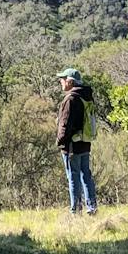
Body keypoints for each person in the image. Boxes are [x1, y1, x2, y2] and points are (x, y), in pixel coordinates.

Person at [55, 67, 97, 215]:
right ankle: (92, 207)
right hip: (85, 142)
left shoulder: (71, 98)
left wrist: (60, 141)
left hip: (72, 145)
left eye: (62, 79)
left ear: (70, 82)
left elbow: (65, 124)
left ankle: (76, 210)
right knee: (86, 175)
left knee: (73, 177)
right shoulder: (87, 96)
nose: (61, 82)